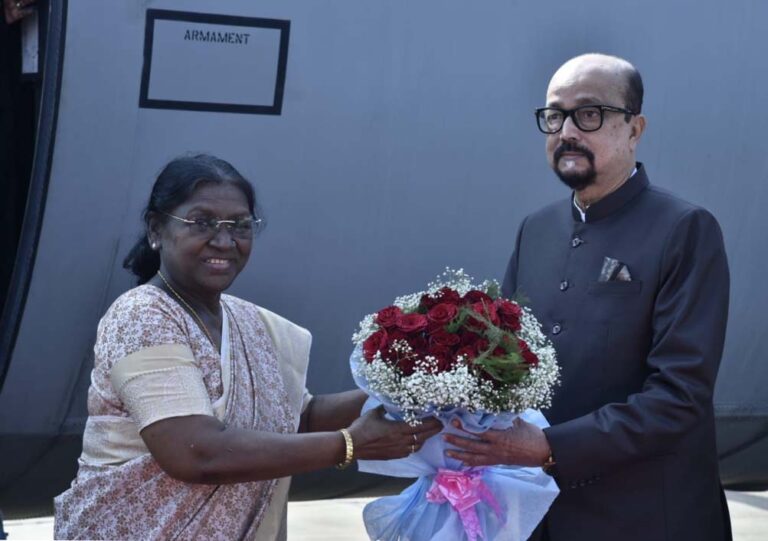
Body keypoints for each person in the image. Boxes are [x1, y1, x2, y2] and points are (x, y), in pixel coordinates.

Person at [54, 154, 442, 540]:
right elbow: (195, 451)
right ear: (156, 229)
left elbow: (297, 418)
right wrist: (349, 445)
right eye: (202, 223)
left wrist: (409, 391)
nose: (224, 241)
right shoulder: (142, 315)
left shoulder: (249, 322)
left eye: (240, 225)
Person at [444, 53, 732, 540]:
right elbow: (509, 363)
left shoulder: (684, 229)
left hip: (646, 517)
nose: (567, 131)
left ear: (634, 129)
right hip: (538, 513)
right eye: (555, 115)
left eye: (590, 114)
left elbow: (679, 397)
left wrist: (549, 446)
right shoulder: (536, 230)